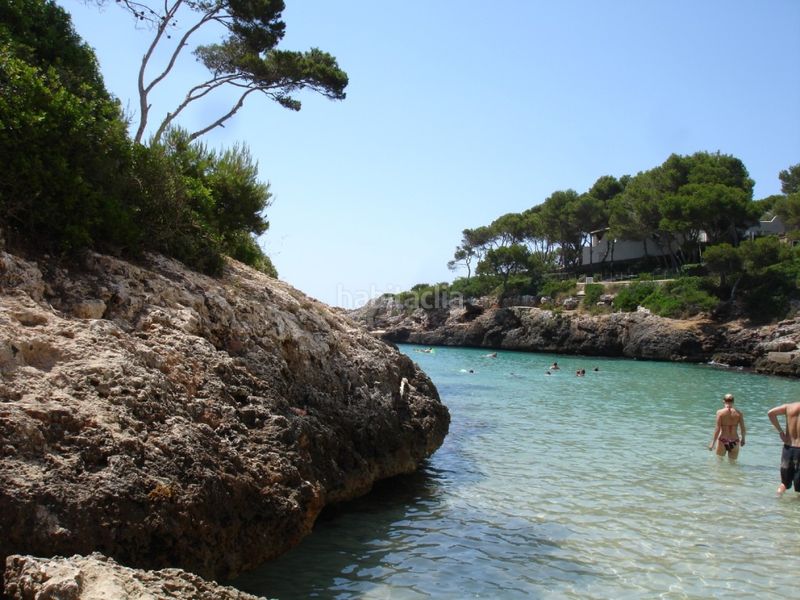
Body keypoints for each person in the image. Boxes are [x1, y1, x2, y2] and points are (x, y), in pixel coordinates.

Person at [767, 401, 800, 495]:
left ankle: (777, 500)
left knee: (784, 484)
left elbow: (770, 413)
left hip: (788, 449)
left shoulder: (789, 407)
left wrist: (780, 431)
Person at [708, 393, 746, 459]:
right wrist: (743, 439)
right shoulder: (739, 413)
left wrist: (713, 443)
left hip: (723, 440)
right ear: (733, 401)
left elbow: (717, 429)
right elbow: (742, 428)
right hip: (735, 441)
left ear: (723, 401)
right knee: (733, 463)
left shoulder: (720, 412)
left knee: (719, 462)